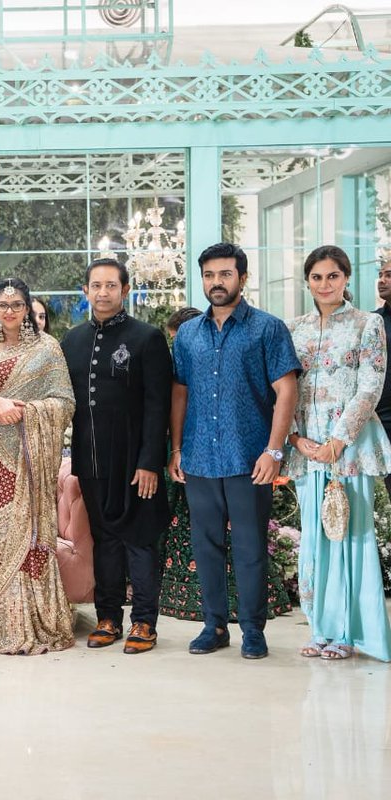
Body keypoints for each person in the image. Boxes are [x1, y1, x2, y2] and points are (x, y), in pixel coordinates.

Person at [170, 243, 300, 660]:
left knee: (248, 547)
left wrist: (273, 451)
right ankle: (214, 626)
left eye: (225, 274)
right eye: (209, 275)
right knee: (205, 545)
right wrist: (176, 449)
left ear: (242, 278)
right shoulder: (188, 333)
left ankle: (252, 630)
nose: (216, 283)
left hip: (250, 459)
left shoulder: (268, 328)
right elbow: (180, 393)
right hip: (199, 459)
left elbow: (286, 391)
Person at [286, 246, 391, 662]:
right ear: (307, 282)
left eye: (333, 276)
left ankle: (350, 632)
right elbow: (283, 388)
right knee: (315, 539)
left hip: (349, 449)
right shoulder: (294, 329)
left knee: (351, 537)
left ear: (346, 279)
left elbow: (371, 386)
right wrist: (296, 439)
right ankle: (321, 628)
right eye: (317, 277)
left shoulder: (369, 324)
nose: (325, 284)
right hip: (308, 449)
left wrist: (339, 440)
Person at [61, 259, 171, 654]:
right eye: (96, 285)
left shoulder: (147, 338)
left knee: (139, 540)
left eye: (111, 286)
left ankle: (144, 621)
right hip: (91, 462)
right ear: (85, 291)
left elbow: (159, 406)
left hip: (135, 461)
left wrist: (149, 462)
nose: (103, 292)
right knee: (104, 541)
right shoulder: (70, 341)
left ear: (125, 291)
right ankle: (108, 616)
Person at [0, 278, 74, 655]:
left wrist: (27, 411)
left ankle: (35, 621)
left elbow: (64, 402)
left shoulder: (48, 349)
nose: (9, 311)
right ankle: (2, 626)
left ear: (28, 308)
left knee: (29, 531)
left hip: (31, 454)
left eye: (16, 304)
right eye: (2, 305)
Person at [374, 254, 391, 498]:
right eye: (380, 274)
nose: (382, 280)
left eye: (389, 275)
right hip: (382, 420)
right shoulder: (373, 321)